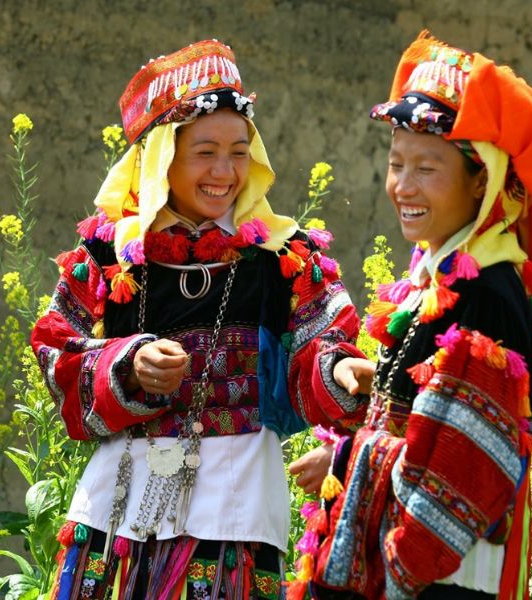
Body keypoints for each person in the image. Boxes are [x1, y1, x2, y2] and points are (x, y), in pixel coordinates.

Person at [288, 32, 532, 599]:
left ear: (481, 182)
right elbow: (424, 422)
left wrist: (348, 456)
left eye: (427, 168)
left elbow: (455, 480)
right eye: (396, 164)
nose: (403, 187)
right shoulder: (442, 280)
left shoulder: (488, 294)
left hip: (437, 580)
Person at [31, 40, 365, 599]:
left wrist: (340, 373)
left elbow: (322, 342)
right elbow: (54, 353)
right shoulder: (109, 255)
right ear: (162, 157)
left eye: (239, 152)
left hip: (235, 511)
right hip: (120, 513)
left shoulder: (285, 257)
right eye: (205, 152)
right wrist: (126, 365)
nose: (225, 171)